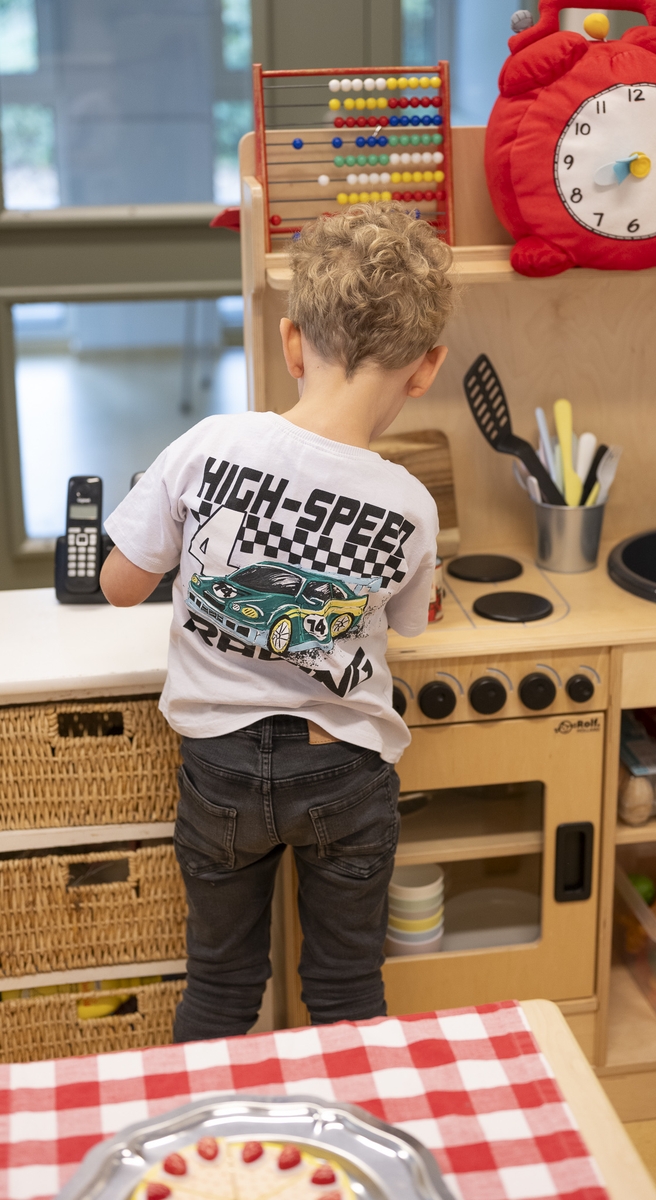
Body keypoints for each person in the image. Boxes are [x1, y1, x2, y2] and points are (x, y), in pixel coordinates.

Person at [100, 203, 453, 1039]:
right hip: (344, 769)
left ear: (293, 343)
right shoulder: (410, 502)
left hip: (218, 767)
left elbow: (119, 586)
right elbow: (412, 624)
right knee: (346, 992)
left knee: (221, 987)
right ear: (425, 369)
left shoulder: (208, 444)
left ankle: (207, 1126)